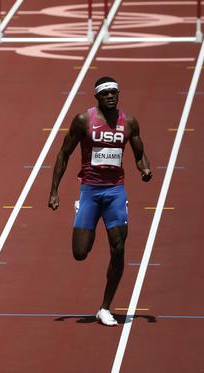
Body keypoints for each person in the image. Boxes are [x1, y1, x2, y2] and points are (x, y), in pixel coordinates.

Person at [48, 77, 152, 326]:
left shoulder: (128, 122)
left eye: (114, 92)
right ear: (97, 97)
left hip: (116, 192)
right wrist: (54, 190)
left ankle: (105, 307)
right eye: (105, 94)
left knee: (118, 248)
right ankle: (85, 216)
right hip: (90, 191)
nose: (111, 96)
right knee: (80, 253)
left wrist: (144, 169)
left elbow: (140, 154)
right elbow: (64, 153)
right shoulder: (84, 120)